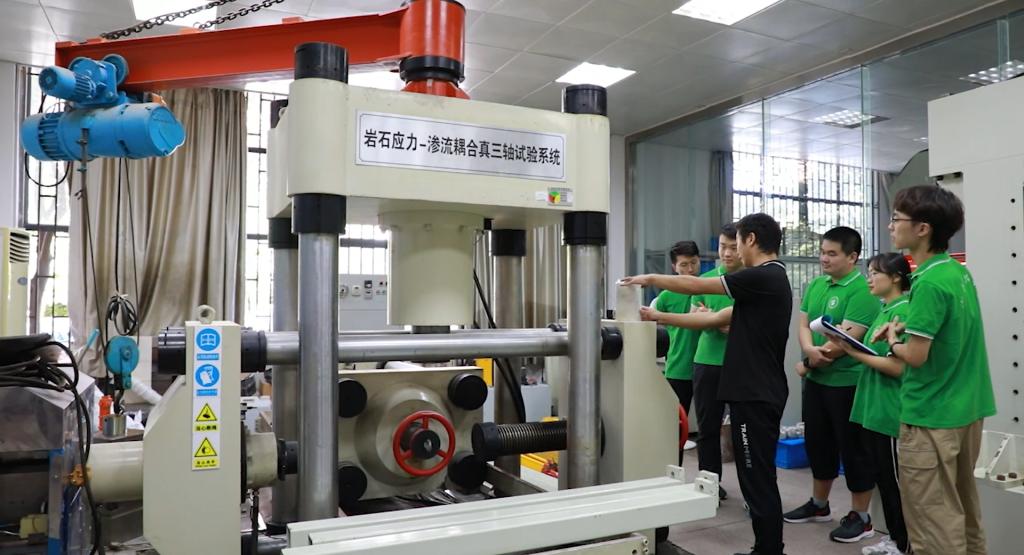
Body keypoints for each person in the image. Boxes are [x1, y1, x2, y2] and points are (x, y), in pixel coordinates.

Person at [624, 213, 791, 555]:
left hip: (756, 394)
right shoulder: (764, 285)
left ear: (751, 240)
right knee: (754, 475)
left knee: (756, 477)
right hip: (755, 391)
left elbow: (696, 286)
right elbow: (714, 318)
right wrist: (657, 316)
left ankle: (769, 550)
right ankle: (766, 547)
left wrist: (649, 278)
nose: (733, 251)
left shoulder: (764, 276)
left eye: (736, 242)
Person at [876, 185, 995, 555]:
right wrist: (903, 331)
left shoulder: (927, 282)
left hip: (931, 416)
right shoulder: (957, 273)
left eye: (897, 218)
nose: (891, 225)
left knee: (932, 524)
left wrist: (893, 341)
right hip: (966, 410)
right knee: (964, 511)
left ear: (923, 228)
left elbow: (915, 357)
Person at [785, 226, 880, 545]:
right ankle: (819, 504)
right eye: (822, 252)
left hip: (848, 383)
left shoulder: (862, 290)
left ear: (852, 257)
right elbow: (802, 324)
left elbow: (846, 340)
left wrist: (809, 361)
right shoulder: (816, 285)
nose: (824, 259)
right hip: (818, 381)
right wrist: (809, 352)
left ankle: (861, 517)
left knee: (854, 450)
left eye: (832, 254)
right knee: (818, 443)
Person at [834, 253, 912, 555]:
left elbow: (897, 366)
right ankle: (895, 538)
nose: (869, 279)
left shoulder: (903, 311)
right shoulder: (885, 310)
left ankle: (904, 544)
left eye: (875, 273)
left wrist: (853, 353)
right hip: (875, 407)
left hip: (890, 410)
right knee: (884, 480)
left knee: (896, 484)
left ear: (896, 277)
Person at [689, 223, 741, 501]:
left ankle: (752, 492)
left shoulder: (752, 280)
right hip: (707, 361)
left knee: (745, 432)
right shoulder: (706, 280)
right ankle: (710, 485)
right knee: (707, 428)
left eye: (733, 247)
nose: (727, 253)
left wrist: (715, 319)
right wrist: (710, 319)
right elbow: (693, 316)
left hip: (742, 364)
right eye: (723, 246)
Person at [653, 240, 703, 421]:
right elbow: (652, 324)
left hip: (708, 367)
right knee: (675, 425)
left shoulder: (711, 289)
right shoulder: (665, 297)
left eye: (694, 263)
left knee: (709, 424)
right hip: (678, 367)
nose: (690, 269)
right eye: (684, 265)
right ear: (674, 267)